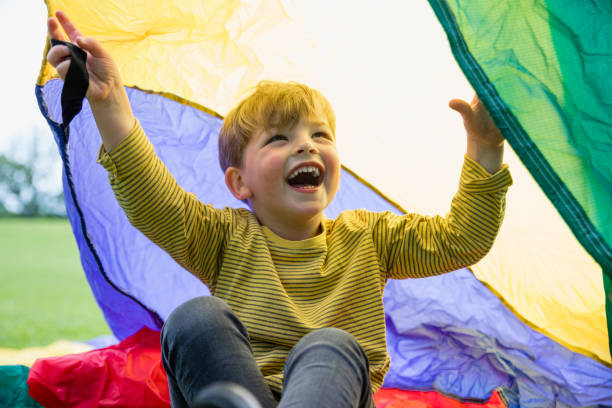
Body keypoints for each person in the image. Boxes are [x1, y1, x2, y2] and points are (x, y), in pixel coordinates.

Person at [47, 10, 512, 408]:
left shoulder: (370, 239)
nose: (305, 147)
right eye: (279, 138)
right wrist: (110, 102)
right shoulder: (223, 239)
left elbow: (461, 239)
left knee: (330, 345)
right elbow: (153, 199)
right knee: (194, 318)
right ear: (239, 182)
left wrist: (486, 147)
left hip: (333, 392)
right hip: (240, 392)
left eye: (320, 135)